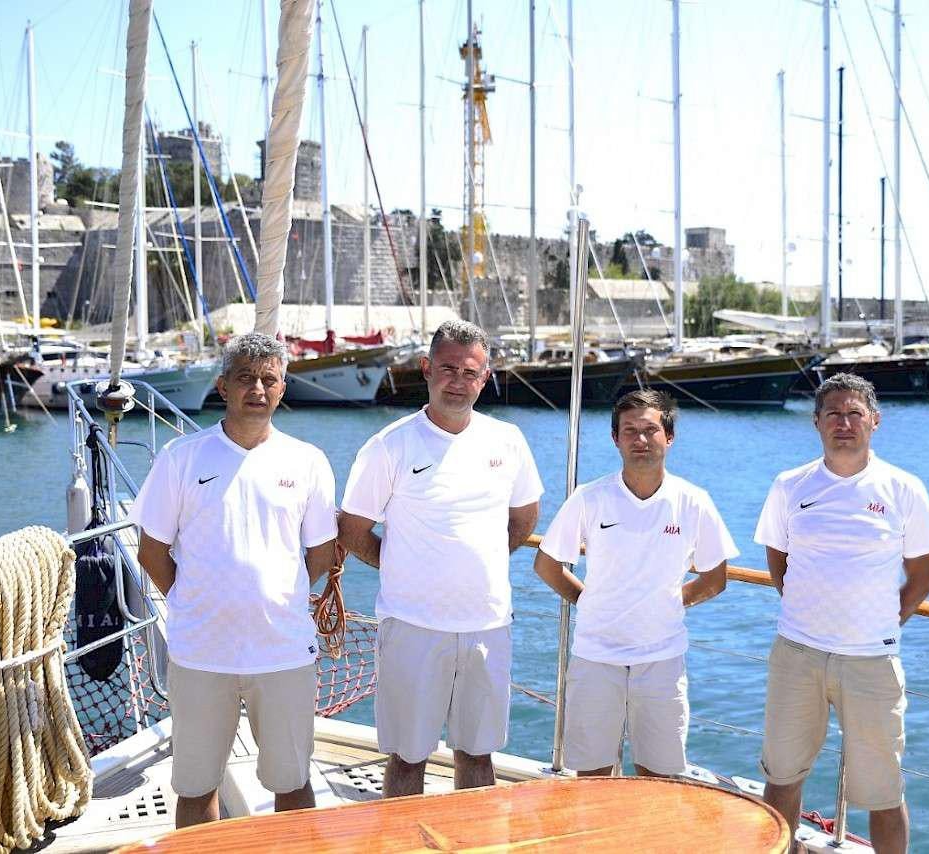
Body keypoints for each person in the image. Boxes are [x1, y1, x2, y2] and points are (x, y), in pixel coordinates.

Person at [130, 333, 339, 827]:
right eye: (246, 377)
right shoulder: (182, 458)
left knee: (292, 782)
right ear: (222, 385)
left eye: (269, 379)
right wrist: (192, 598)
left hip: (283, 652)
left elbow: (321, 553)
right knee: (197, 785)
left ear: (283, 388)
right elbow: (151, 551)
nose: (258, 389)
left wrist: (275, 595)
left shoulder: (307, 462)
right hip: (201, 653)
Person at [338, 319, 542, 797]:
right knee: (408, 757)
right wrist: (402, 566)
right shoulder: (390, 444)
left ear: (485, 378)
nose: (458, 380)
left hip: (487, 623)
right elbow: (352, 530)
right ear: (427, 369)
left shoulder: (507, 440)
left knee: (479, 755)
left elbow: (524, 519)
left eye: (469, 372)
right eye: (447, 368)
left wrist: (484, 557)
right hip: (413, 625)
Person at [754, 372, 929, 854]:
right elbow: (779, 564)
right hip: (797, 654)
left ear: (874, 422)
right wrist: (808, 612)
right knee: (781, 779)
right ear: (816, 422)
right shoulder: (789, 485)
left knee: (884, 792)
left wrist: (878, 624)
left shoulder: (904, 489)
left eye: (854, 413)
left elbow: (920, 579)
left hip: (871, 662)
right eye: (833, 413)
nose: (844, 422)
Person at [534, 389, 737, 778]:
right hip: (595, 657)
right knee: (592, 778)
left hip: (662, 659)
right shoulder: (589, 498)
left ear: (669, 437)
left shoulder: (693, 501)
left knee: (658, 781)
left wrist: (672, 603)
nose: (640, 440)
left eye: (650, 429)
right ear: (615, 438)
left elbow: (715, 578)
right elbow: (547, 565)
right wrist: (587, 599)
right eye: (629, 431)